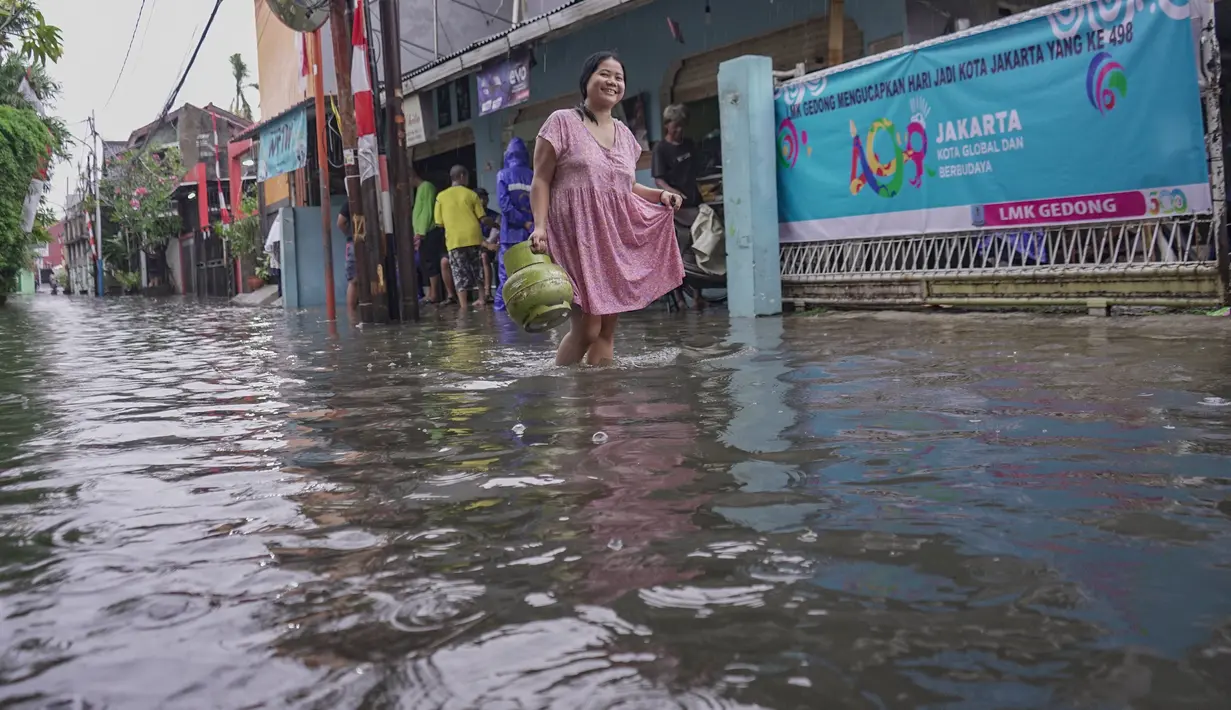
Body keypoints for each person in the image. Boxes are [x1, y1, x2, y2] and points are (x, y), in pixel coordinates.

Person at [529, 51, 684, 366]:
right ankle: (562, 394)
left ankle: (600, 403)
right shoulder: (561, 122)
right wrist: (540, 226)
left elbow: (624, 186)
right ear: (587, 80)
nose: (613, 81)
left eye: (619, 77)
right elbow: (541, 180)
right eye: (605, 74)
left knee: (606, 330)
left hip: (611, 237)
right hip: (573, 235)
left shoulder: (626, 135)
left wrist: (660, 195)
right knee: (587, 327)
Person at [434, 165, 489, 310]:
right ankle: (482, 299)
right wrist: (495, 225)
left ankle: (464, 306)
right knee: (477, 269)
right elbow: (482, 218)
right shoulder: (471, 194)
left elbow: (439, 223)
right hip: (473, 237)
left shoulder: (440, 197)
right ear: (462, 176)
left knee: (458, 272)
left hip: (455, 240)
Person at [494, 136, 534, 312]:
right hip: (530, 233)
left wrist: (522, 222)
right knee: (530, 273)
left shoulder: (502, 175)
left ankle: (502, 312)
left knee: (506, 276)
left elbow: (505, 206)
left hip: (510, 234)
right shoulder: (533, 175)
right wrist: (529, 223)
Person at [411, 171, 448, 303]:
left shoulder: (426, 187)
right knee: (425, 263)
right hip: (423, 232)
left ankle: (434, 294)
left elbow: (426, 211)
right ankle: (432, 292)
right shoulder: (421, 189)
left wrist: (421, 232)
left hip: (427, 232)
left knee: (429, 263)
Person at [476, 188, 501, 303]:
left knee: (485, 256)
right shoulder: (471, 216)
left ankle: (487, 294)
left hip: (490, 247)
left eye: (485, 198)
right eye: (480, 198)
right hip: (476, 246)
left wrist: (487, 244)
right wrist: (485, 244)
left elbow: (494, 235)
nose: (483, 201)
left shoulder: (494, 216)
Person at [337, 200, 358, 318]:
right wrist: (350, 235)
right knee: (355, 281)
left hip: (354, 242)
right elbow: (340, 222)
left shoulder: (350, 201)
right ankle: (352, 316)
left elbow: (340, 222)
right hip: (357, 242)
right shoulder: (350, 202)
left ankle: (353, 318)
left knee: (354, 281)